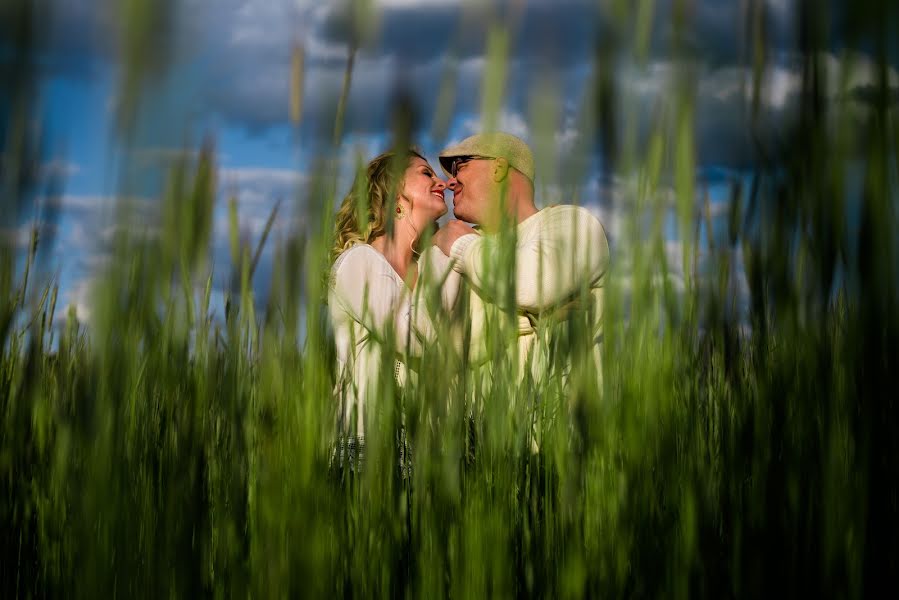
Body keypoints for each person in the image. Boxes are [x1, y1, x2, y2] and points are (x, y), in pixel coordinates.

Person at [432, 132, 610, 388]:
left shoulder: (573, 223)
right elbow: (446, 349)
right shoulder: (466, 243)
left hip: (562, 425)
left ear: (499, 167)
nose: (450, 183)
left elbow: (535, 284)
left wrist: (460, 245)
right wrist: (535, 318)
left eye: (460, 167)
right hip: (480, 428)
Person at [329, 149, 458, 444]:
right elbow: (414, 338)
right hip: (367, 452)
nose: (442, 183)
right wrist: (445, 250)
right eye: (426, 173)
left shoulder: (428, 266)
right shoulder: (359, 261)